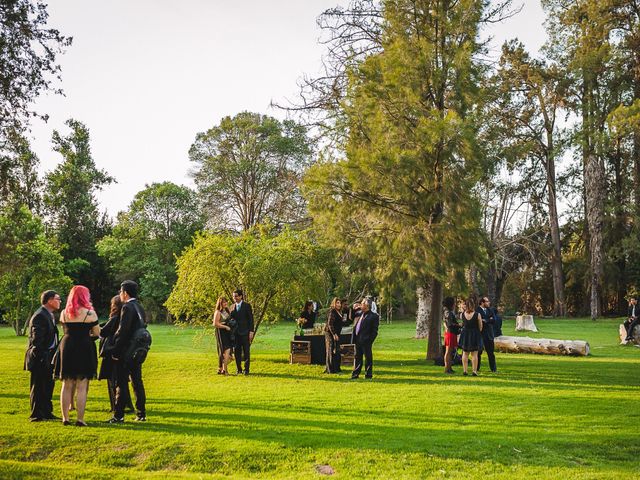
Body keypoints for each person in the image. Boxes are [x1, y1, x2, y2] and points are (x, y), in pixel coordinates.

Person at [57, 285, 100, 426]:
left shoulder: (64, 313)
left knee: (66, 383)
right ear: (85, 296)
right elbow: (97, 333)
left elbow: (65, 329)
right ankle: (80, 419)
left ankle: (65, 418)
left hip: (67, 346)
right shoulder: (90, 314)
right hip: (84, 346)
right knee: (82, 384)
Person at [108, 280, 147, 423]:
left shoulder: (127, 307)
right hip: (138, 350)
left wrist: (115, 351)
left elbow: (122, 331)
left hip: (126, 351)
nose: (120, 294)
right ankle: (141, 413)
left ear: (125, 293)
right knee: (137, 381)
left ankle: (118, 415)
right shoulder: (139, 307)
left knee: (121, 383)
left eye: (120, 292)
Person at [24, 290, 61, 422]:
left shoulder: (49, 314)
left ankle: (46, 412)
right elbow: (36, 340)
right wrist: (43, 355)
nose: (60, 301)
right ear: (50, 300)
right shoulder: (40, 315)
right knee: (38, 386)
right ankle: (36, 414)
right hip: (40, 356)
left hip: (48, 356)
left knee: (48, 385)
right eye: (58, 299)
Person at [98, 295, 133, 413]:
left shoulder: (115, 318)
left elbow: (103, 331)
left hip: (111, 350)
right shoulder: (123, 317)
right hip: (121, 350)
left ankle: (116, 406)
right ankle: (126, 405)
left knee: (113, 381)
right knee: (121, 380)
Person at [351, 298, 379, 380]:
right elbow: (350, 318)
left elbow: (374, 331)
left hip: (366, 340)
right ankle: (355, 374)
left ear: (367, 305)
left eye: (362, 303)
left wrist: (370, 340)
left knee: (368, 358)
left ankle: (368, 374)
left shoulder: (373, 316)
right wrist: (353, 309)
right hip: (357, 339)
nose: (360, 305)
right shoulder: (359, 313)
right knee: (357, 357)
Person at [230, 289, 254, 375]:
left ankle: (246, 370)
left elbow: (251, 319)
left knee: (246, 351)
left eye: (236, 296)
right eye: (233, 296)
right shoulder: (232, 307)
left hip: (245, 332)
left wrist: (251, 331)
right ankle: (238, 369)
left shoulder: (247, 306)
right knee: (237, 352)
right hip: (236, 334)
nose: (234, 298)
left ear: (240, 296)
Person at [325, 298, 349, 374]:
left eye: (339, 303)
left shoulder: (339, 312)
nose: (338, 304)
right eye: (337, 303)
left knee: (336, 351)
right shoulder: (332, 311)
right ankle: (331, 369)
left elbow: (341, 323)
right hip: (331, 334)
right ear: (334, 303)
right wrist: (334, 334)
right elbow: (330, 324)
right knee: (331, 350)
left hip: (337, 334)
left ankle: (336, 368)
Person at [460, 296, 482, 376]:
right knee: (474, 354)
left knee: (465, 353)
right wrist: (477, 331)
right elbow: (480, 326)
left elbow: (462, 324)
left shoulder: (462, 314)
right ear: (473, 305)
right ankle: (474, 371)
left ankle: (465, 370)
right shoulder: (477, 314)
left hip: (465, 334)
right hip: (475, 334)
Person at [213, 296, 235, 375]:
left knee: (230, 354)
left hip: (227, 332)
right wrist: (225, 326)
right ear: (220, 303)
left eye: (226, 302)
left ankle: (221, 368)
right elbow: (215, 324)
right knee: (226, 350)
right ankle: (225, 370)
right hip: (221, 332)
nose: (225, 303)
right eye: (223, 302)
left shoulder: (227, 310)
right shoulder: (218, 312)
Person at [477, 296, 498, 373]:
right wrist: (489, 319)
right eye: (487, 301)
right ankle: (476, 368)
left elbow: (494, 320)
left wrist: (485, 320)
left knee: (491, 353)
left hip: (489, 334)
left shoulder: (490, 310)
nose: (489, 303)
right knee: (478, 352)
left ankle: (493, 369)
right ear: (482, 303)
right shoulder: (477, 310)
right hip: (480, 334)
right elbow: (478, 321)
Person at [443, 296, 460, 374]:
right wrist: (458, 325)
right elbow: (450, 324)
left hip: (450, 333)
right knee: (448, 351)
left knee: (450, 351)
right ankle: (447, 368)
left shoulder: (448, 312)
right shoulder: (448, 313)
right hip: (450, 333)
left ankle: (449, 367)